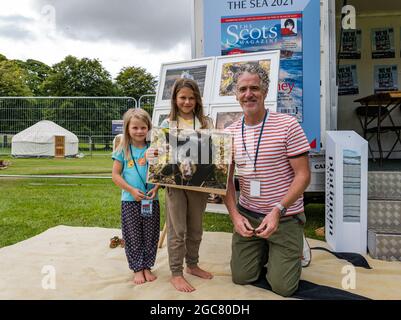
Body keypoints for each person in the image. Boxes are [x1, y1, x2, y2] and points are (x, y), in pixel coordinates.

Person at [223, 64, 311, 297]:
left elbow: (303, 176)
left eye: (254, 88)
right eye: (242, 89)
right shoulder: (229, 132)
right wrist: (235, 216)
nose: (248, 94)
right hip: (249, 214)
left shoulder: (288, 125)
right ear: (236, 94)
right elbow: (225, 182)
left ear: (265, 91)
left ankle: (292, 244)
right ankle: (266, 248)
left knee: (283, 287)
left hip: (285, 216)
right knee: (241, 277)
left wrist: (278, 210)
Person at [155, 78, 214, 292]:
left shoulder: (206, 123)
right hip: (176, 185)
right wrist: (156, 160)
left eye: (191, 97)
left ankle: (193, 264)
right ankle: (176, 272)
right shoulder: (167, 123)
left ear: (197, 99)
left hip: (199, 185)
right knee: (177, 229)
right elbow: (161, 154)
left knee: (196, 228)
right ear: (175, 99)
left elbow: (213, 154)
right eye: (183, 97)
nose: (187, 102)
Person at [112, 108, 160, 285]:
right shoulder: (122, 149)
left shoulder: (154, 149)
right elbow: (115, 175)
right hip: (130, 202)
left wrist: (156, 188)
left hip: (150, 201)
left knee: (150, 235)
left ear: (148, 128)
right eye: (135, 128)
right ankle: (137, 268)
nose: (139, 131)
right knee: (133, 235)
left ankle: (147, 266)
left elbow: (161, 172)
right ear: (127, 129)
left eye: (143, 127)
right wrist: (131, 190)